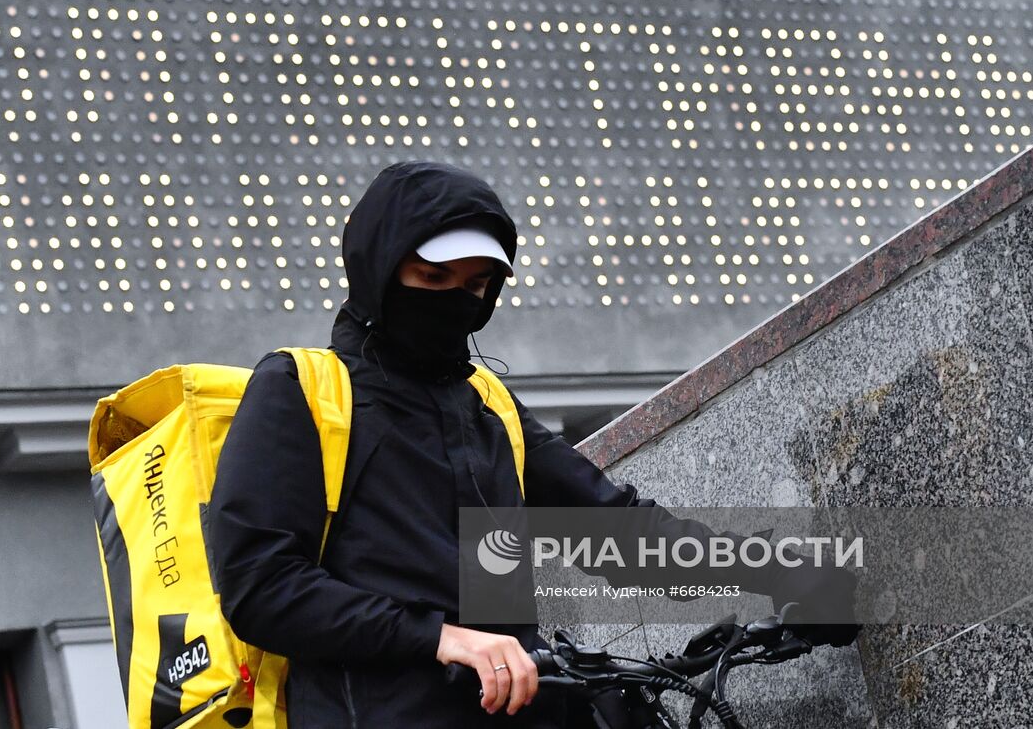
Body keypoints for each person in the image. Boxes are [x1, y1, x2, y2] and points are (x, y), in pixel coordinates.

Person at [208, 160, 857, 728]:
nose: (457, 303)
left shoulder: (488, 406)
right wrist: (441, 638)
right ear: (378, 268)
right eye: (434, 279)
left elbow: (617, 529)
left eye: (476, 286)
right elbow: (260, 588)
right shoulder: (301, 390)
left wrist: (784, 572)